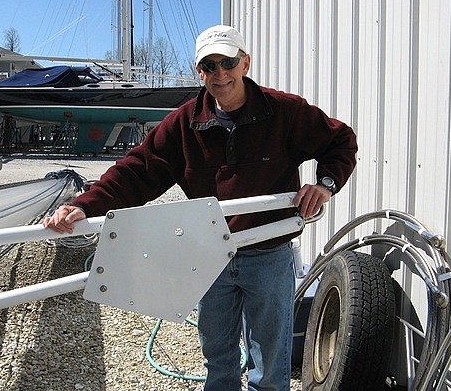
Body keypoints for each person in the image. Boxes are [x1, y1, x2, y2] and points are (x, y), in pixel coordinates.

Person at [44, 24, 357, 390]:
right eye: (209, 66)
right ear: (200, 72)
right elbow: (137, 171)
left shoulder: (284, 112)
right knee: (218, 360)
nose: (220, 73)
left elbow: (340, 141)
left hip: (268, 254)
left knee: (270, 366)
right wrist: (86, 206)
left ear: (245, 63)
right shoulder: (184, 123)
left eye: (228, 62)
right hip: (210, 255)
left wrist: (325, 185)